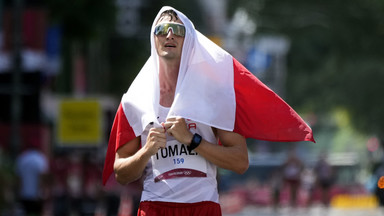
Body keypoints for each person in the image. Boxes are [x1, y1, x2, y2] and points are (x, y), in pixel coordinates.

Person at [102, 6, 314, 216]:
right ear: (153, 38)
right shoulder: (134, 100)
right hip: (155, 207)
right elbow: (121, 172)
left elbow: (240, 162)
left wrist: (192, 140)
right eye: (162, 29)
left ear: (190, 41)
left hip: (202, 206)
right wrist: (146, 151)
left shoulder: (213, 94)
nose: (169, 35)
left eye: (178, 30)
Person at [15, 140, 49, 215]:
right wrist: (43, 191)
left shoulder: (22, 158)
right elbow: (42, 177)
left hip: (24, 194)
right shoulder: (40, 159)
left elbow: (18, 179)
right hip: (37, 195)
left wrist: (17, 192)